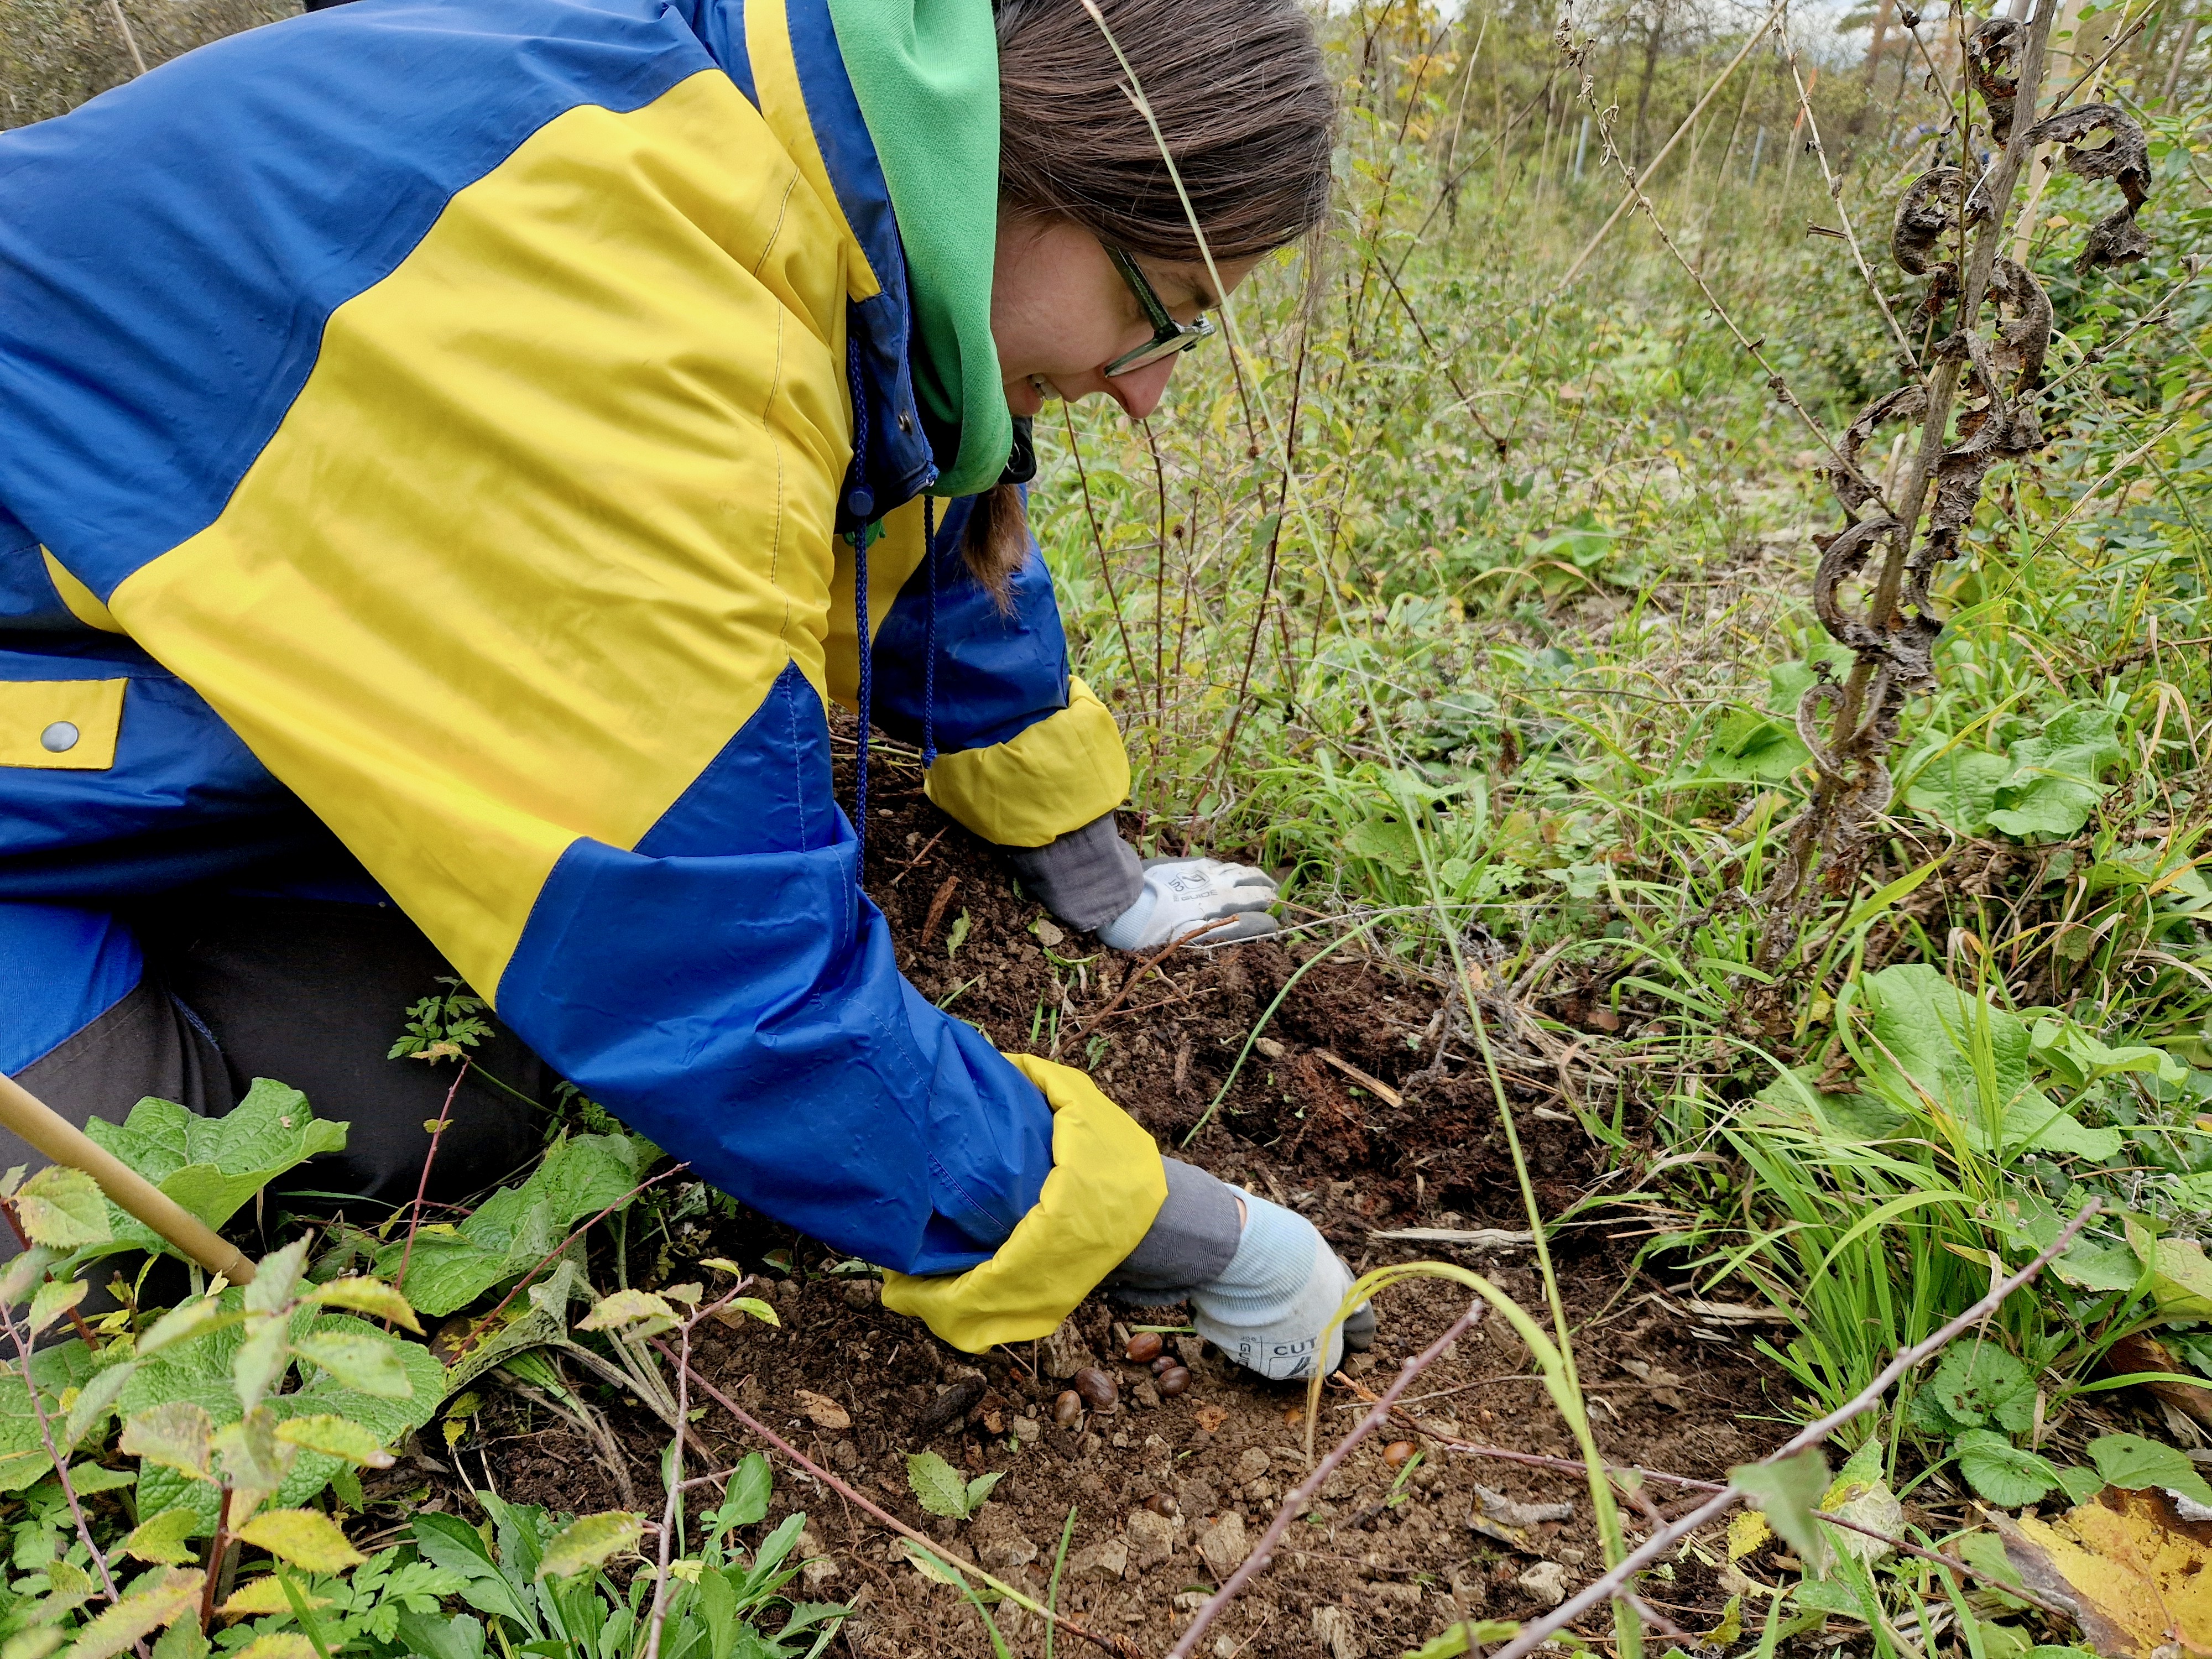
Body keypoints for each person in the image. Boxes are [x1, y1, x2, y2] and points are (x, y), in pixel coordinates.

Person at [0, 0, 1370, 1378]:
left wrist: (1089, 861)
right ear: (1038, 167)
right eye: (1162, 315)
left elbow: (912, 533)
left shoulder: (786, 139)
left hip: (129, 700)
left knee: (446, 1093)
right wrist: (1188, 1237)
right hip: (56, 706)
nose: (1145, 398)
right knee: (110, 1243)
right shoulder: (628, 302)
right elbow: (727, 973)